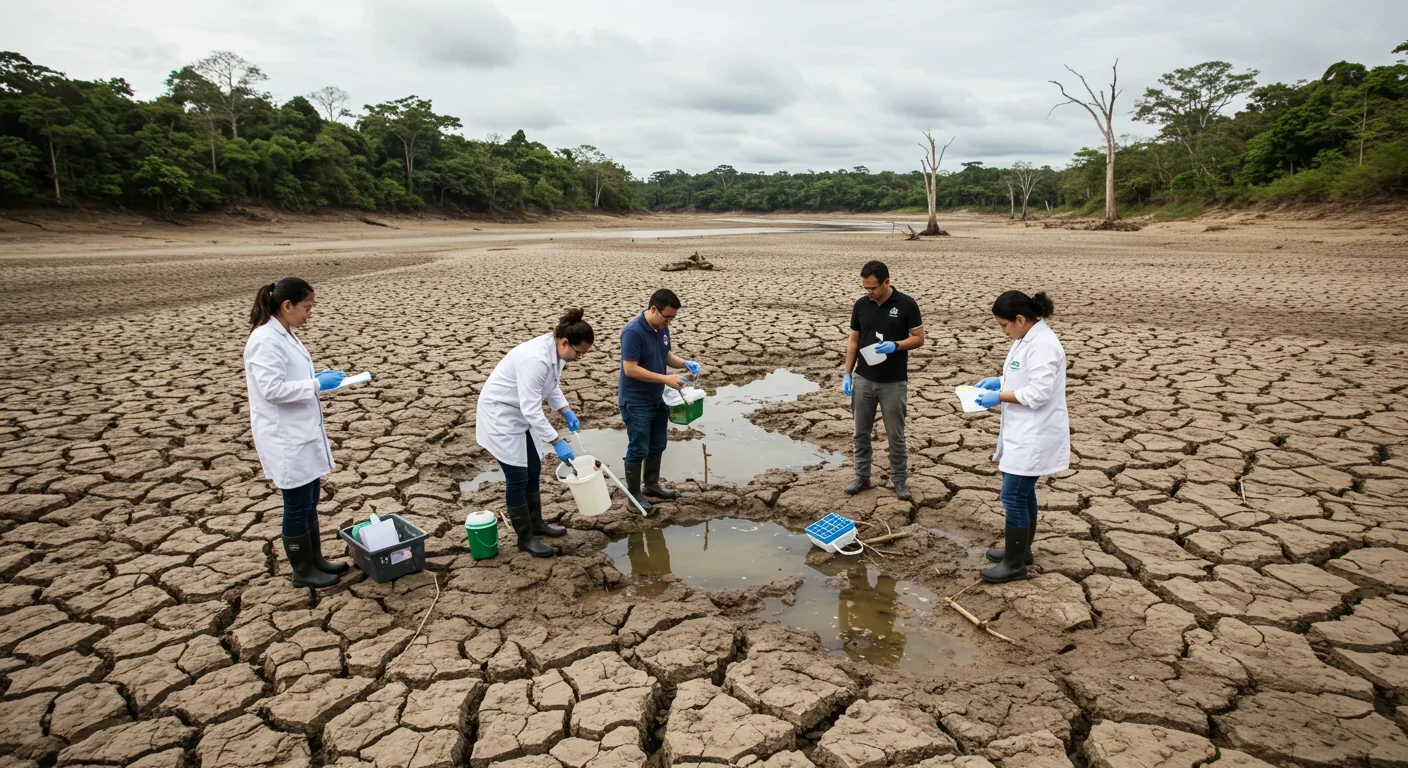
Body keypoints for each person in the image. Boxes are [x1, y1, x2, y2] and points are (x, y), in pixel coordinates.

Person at [244, 278, 350, 589]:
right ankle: (302, 570)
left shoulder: (285, 333)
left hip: (300, 433)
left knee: (310, 499)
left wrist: (312, 376)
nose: (310, 314)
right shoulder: (265, 340)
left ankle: (315, 560)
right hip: (284, 438)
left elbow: (287, 376)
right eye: (307, 308)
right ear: (287, 306)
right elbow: (272, 389)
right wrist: (316, 384)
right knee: (296, 503)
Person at [476, 309, 593, 558]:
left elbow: (550, 387)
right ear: (564, 343)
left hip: (520, 415)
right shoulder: (535, 359)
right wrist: (557, 441)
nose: (578, 358)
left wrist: (566, 411)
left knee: (533, 468)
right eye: (578, 353)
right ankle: (525, 538)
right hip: (502, 416)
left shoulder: (555, 353)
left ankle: (537, 524)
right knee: (517, 476)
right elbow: (531, 408)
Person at [972, 290, 1069, 583]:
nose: (1003, 332)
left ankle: (1015, 565)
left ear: (1019, 319)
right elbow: (1023, 377)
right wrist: (999, 382)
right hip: (1020, 431)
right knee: (1023, 493)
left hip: (1035, 434)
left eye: (1004, 326)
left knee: (1012, 495)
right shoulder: (1026, 339)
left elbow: (1038, 393)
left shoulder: (1043, 345)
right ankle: (1021, 551)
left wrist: (997, 396)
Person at [841, 261, 925, 500]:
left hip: (893, 382)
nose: (869, 292)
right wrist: (847, 372)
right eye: (865, 287)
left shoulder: (906, 304)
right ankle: (862, 476)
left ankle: (898, 481)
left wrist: (896, 345)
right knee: (860, 433)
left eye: (873, 288)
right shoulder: (861, 305)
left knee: (895, 436)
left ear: (886, 282)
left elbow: (919, 338)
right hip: (863, 378)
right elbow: (854, 340)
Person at [618, 289, 702, 513]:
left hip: (658, 398)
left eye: (672, 318)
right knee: (638, 447)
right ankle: (634, 496)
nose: (668, 323)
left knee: (658, 444)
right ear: (653, 309)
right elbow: (630, 369)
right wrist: (666, 378)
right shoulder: (633, 332)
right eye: (666, 317)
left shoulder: (662, 329)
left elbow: (666, 356)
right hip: (636, 401)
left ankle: (652, 485)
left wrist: (685, 362)